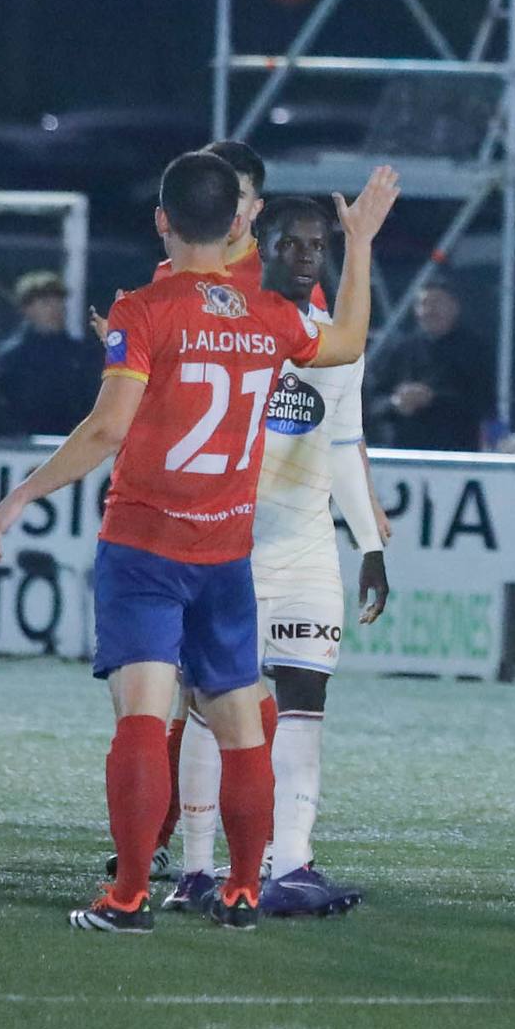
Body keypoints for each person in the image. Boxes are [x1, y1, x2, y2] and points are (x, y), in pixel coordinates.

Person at [0, 153, 399, 932]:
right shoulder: (269, 313)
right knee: (242, 725)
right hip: (225, 554)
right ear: (242, 222)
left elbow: (108, 428)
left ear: (163, 221)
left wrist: (21, 494)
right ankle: (243, 889)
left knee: (143, 714)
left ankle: (130, 895)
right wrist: (362, 243)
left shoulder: (146, 310)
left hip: (144, 547)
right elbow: (344, 343)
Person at [169, 197, 391, 921]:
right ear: (257, 245)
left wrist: (370, 545)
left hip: (304, 556)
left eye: (318, 245)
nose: (305, 256)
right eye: (290, 243)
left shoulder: (334, 342)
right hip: (224, 552)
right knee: (212, 710)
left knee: (304, 706)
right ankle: (196, 868)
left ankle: (291, 865)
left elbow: (344, 446)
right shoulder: (227, 325)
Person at [372, 275, 491, 450]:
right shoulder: (400, 350)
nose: (430, 310)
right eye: (424, 304)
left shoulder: (475, 350)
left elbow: (484, 404)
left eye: (437, 303)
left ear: (454, 307)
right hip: (405, 455)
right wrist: (396, 403)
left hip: (456, 456)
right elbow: (373, 403)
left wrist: (432, 399)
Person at [0, 271, 101, 437]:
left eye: (59, 302)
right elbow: (0, 406)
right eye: (46, 302)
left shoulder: (82, 354)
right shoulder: (10, 357)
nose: (55, 309)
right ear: (27, 309)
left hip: (71, 444)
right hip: (20, 447)